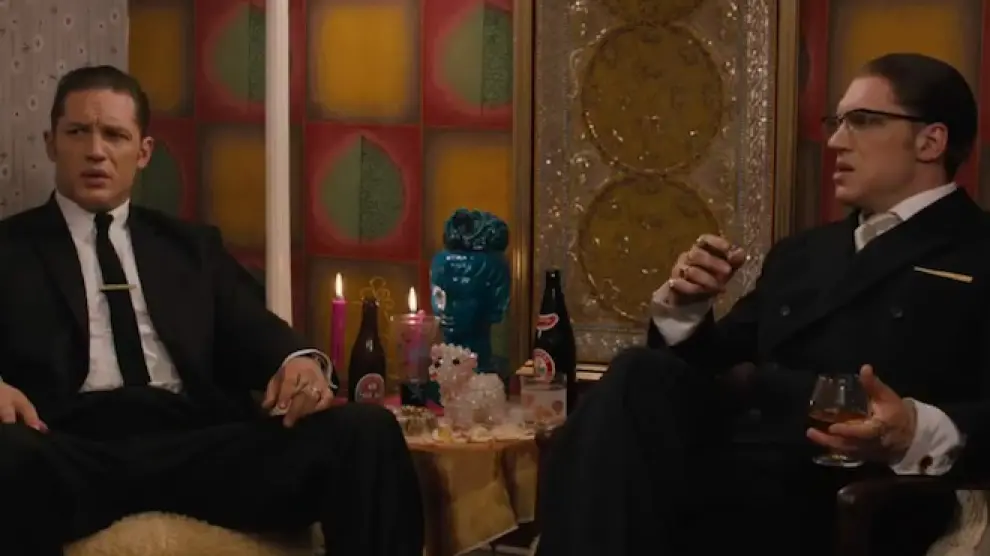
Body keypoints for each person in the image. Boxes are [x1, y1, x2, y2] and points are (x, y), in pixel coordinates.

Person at [536, 53, 990, 556]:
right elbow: (707, 368)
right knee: (634, 377)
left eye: (863, 121)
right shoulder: (803, 252)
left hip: (849, 494)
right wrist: (686, 310)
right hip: (735, 469)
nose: (836, 142)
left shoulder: (978, 249)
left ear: (931, 141)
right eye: (837, 122)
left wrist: (915, 430)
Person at [0, 65, 423, 555]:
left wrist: (298, 362)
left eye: (115, 135)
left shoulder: (190, 247)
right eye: (78, 132)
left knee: (365, 431)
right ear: (52, 144)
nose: (96, 151)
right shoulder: (10, 247)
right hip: (69, 450)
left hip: (195, 445)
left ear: (143, 152)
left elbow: (253, 328)